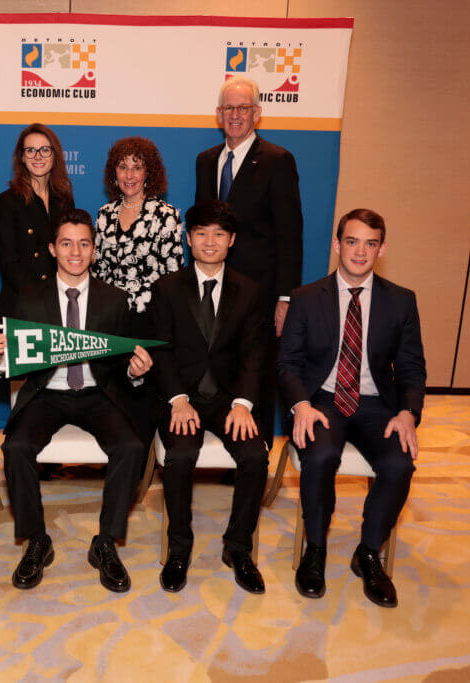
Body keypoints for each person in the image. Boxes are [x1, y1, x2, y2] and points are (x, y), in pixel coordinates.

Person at [0, 209, 154, 593]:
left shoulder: (115, 299)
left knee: (131, 446)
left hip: (98, 393)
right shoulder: (29, 298)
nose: (75, 252)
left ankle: (105, 542)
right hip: (47, 393)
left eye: (83, 244)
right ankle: (36, 540)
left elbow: (123, 365)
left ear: (94, 250)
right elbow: (12, 362)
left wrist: (135, 371)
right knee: (15, 446)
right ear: (52, 249)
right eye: (66, 243)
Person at [278, 208, 426, 608]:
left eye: (370, 243)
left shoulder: (401, 301)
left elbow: (411, 366)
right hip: (322, 399)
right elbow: (287, 362)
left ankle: (369, 553)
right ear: (337, 244)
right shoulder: (306, 298)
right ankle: (315, 549)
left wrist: (408, 412)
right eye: (352, 241)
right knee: (321, 455)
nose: (360, 252)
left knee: (399, 463)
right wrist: (301, 404)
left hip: (377, 403)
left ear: (381, 249)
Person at [149, 201, 269, 594]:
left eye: (219, 233)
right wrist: (177, 398)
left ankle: (238, 548)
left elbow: (255, 353)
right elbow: (161, 350)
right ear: (188, 238)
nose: (210, 241)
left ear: (232, 240)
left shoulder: (249, 291)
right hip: (182, 398)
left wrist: (244, 404)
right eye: (201, 233)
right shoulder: (167, 288)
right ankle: (179, 549)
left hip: (228, 399)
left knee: (255, 457)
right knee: (181, 456)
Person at [196, 75, 303, 446]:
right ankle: (225, 444)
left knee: (256, 371)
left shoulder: (277, 161)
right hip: (215, 287)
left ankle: (254, 454)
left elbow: (290, 235)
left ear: (257, 113)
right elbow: (202, 228)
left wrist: (285, 298)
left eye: (243, 107)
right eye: (229, 108)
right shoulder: (206, 161)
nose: (235, 115)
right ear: (218, 114)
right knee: (219, 364)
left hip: (261, 293)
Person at [94, 136, 183, 316]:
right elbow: (98, 272)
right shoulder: (105, 214)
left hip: (151, 317)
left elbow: (173, 277)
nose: (129, 175)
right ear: (114, 172)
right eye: (123, 167)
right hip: (109, 316)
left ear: (148, 173)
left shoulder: (165, 215)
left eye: (137, 167)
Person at [0, 123, 75, 318]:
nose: (38, 156)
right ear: (22, 157)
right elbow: (8, 264)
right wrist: (40, 299)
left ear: (54, 155)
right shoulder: (8, 201)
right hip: (21, 306)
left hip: (58, 305)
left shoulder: (64, 199)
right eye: (30, 150)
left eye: (45, 150)